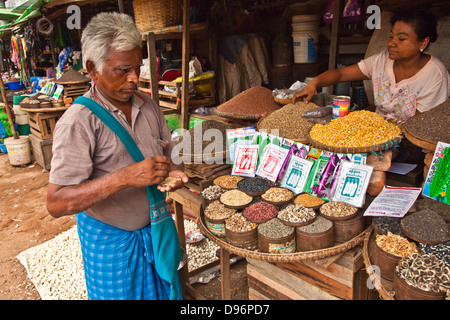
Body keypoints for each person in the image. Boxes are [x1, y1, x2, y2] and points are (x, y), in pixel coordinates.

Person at [46, 12, 188, 300]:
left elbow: (170, 154)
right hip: (113, 244)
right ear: (92, 69)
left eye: (137, 68)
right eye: (123, 70)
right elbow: (56, 202)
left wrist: (174, 172)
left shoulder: (147, 105)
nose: (134, 78)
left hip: (156, 231)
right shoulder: (79, 122)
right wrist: (124, 178)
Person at [293, 9, 450, 123]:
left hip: (410, 144)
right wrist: (314, 83)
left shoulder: (435, 75)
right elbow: (341, 74)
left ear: (423, 42)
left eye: (401, 39)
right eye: (391, 36)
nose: (391, 43)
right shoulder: (380, 61)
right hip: (376, 134)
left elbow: (421, 124)